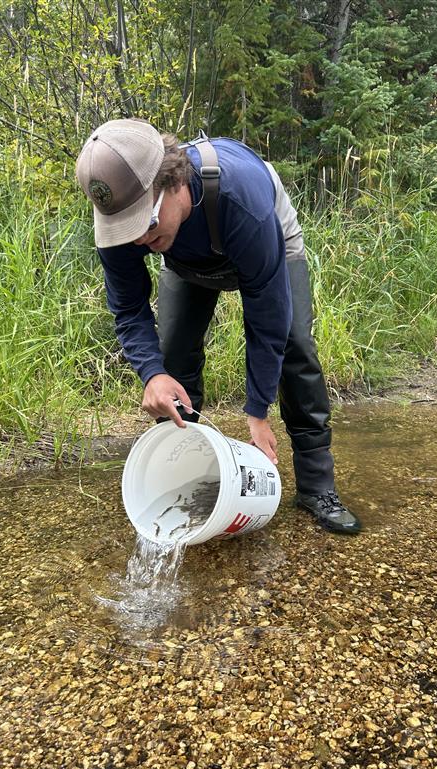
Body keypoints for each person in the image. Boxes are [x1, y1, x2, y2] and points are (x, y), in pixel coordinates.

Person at [76, 118, 361, 534]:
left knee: (295, 347)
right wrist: (152, 375)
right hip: (186, 258)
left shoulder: (241, 196)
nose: (137, 240)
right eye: (127, 229)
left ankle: (317, 488)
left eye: (146, 224)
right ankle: (185, 476)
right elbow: (128, 307)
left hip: (265, 236)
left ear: (174, 182)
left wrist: (257, 412)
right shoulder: (124, 217)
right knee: (172, 353)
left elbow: (268, 317)